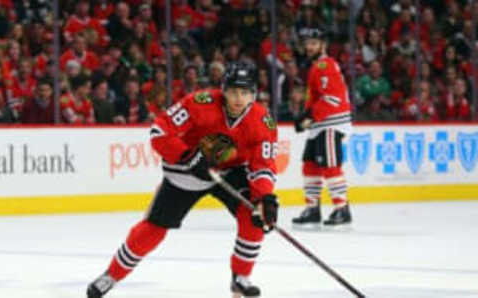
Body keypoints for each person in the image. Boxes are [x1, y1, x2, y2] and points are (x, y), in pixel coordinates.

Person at [87, 61, 279, 298]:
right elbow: (160, 131)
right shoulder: (200, 103)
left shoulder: (262, 121)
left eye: (245, 92)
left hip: (229, 170)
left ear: (254, 94)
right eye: (232, 91)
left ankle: (241, 277)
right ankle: (111, 275)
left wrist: (266, 197)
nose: (238, 98)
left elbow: (263, 165)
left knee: (254, 216)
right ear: (223, 90)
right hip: (186, 171)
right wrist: (186, 156)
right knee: (153, 230)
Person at [292, 28, 353, 229]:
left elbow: (332, 99)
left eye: (314, 43)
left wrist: (308, 116)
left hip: (331, 122)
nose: (309, 47)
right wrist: (307, 117)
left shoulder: (325, 65)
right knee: (310, 164)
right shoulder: (317, 66)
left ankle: (342, 209)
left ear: (322, 45)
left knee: (329, 165)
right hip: (320, 124)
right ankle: (312, 209)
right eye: (307, 43)